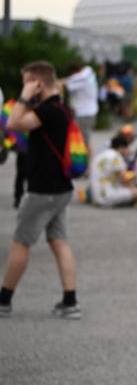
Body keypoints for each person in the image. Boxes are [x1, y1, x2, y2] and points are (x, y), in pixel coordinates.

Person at [0, 61, 81, 319]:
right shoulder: (62, 108)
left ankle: (4, 300)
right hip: (60, 187)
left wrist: (24, 97)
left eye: (27, 82)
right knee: (59, 241)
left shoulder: (48, 112)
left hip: (42, 189)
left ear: (38, 83)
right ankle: (70, 301)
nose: (24, 87)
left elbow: (12, 123)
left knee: (20, 243)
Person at [90, 133, 137, 207]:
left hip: (95, 197)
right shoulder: (116, 156)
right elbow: (125, 179)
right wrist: (134, 175)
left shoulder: (100, 155)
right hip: (107, 197)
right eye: (126, 149)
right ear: (121, 148)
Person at [62, 63, 99, 154]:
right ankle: (86, 164)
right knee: (83, 140)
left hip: (84, 113)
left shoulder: (82, 79)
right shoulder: (88, 73)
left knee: (83, 141)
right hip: (89, 112)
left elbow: (68, 84)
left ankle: (87, 165)